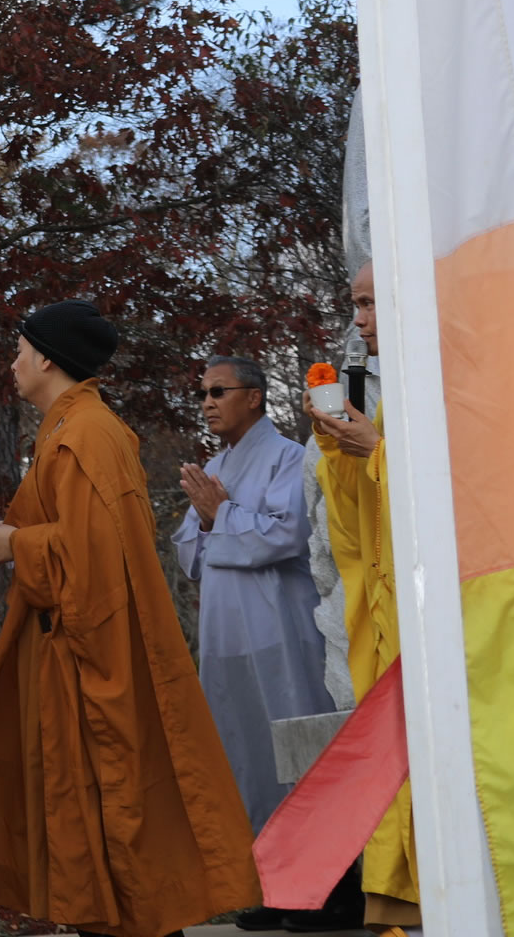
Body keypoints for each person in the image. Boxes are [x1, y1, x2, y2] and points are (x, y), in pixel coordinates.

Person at [0, 300, 260, 937]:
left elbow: (95, 557)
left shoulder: (87, 435)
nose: (13, 363)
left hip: (96, 658)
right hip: (72, 654)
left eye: (20, 351)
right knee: (97, 825)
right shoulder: (67, 429)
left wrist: (17, 544)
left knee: (118, 820)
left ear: (48, 358)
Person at [172, 357, 334, 931]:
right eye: (203, 393)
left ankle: (329, 888)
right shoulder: (214, 468)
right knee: (246, 751)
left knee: (297, 747)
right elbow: (189, 553)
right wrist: (210, 519)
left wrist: (221, 514)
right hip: (225, 634)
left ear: (255, 396)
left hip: (280, 626)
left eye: (219, 391)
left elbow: (288, 534)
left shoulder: (290, 457)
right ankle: (275, 887)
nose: (207, 403)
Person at [305, 260, 420, 933]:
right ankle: (402, 906)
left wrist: (378, 448)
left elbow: (463, 489)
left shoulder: (442, 383)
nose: (360, 320)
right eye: (357, 303)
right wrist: (343, 451)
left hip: (436, 616)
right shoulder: (383, 395)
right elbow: (355, 525)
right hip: (387, 609)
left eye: (372, 303)